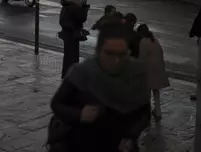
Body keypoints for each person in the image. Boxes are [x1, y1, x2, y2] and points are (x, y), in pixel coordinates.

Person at [49, 23, 151, 152]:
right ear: (97, 51)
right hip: (82, 144)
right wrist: (79, 114)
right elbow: (56, 104)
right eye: (110, 53)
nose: (116, 61)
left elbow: (144, 114)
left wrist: (130, 136)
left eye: (122, 54)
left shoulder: (136, 74)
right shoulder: (82, 72)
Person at [136, 24, 170, 122]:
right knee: (156, 91)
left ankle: (146, 112)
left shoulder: (143, 42)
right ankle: (158, 111)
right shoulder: (155, 40)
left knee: (147, 92)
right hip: (158, 68)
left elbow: (141, 58)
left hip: (148, 69)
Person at [58, 0, 90, 79]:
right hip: (71, 34)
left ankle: (67, 75)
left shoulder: (67, 3)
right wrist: (84, 6)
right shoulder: (73, 6)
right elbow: (82, 18)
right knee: (72, 57)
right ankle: (71, 76)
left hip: (67, 34)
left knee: (68, 56)